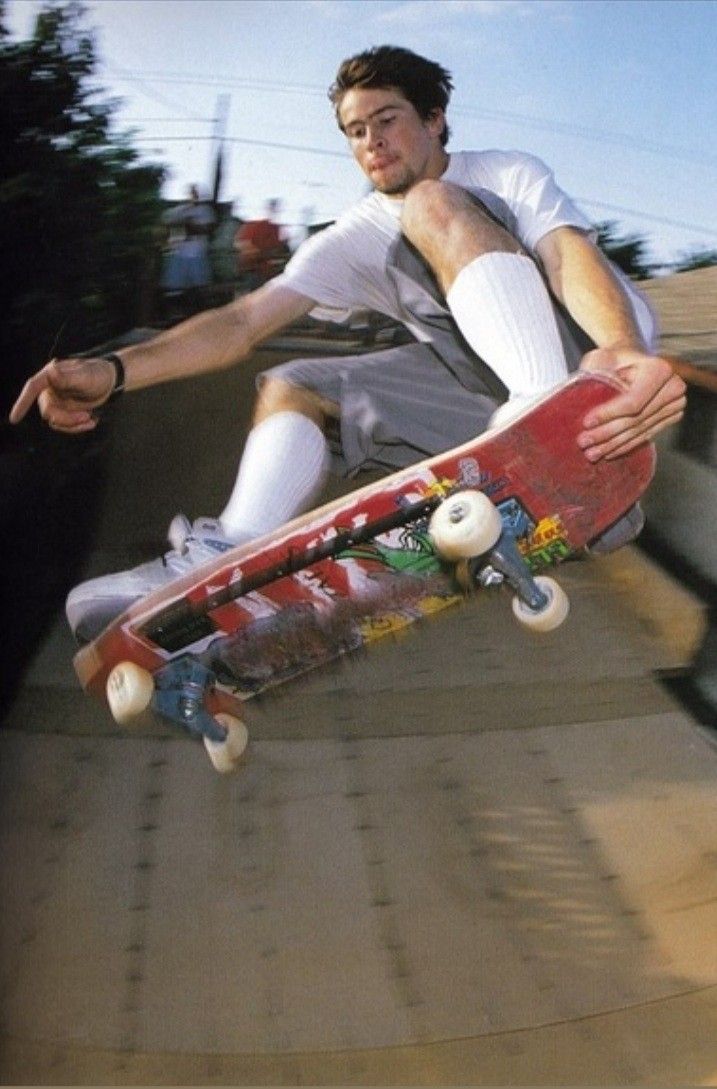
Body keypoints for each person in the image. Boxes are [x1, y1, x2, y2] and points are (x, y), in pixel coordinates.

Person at [10, 46, 686, 644]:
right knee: (293, 385)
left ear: (434, 117)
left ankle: (551, 428)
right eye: (354, 131)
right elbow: (242, 323)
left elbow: (567, 255)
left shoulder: (503, 171)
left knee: (431, 203)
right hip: (485, 398)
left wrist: (622, 348)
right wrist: (113, 368)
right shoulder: (351, 236)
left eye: (387, 119)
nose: (371, 142)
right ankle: (230, 557)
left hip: (593, 371)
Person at [160, 184, 216, 316]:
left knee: (199, 285)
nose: (193, 195)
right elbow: (166, 223)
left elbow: (208, 228)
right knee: (174, 285)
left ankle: (198, 314)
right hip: (178, 251)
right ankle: (175, 314)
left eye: (196, 193)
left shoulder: (205, 210)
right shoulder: (178, 210)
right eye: (191, 193)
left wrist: (191, 226)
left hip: (197, 252)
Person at [234, 198, 290, 288]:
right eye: (272, 207)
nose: (274, 210)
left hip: (268, 272)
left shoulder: (276, 228)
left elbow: (280, 249)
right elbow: (242, 244)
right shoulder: (255, 225)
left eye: (276, 208)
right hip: (254, 271)